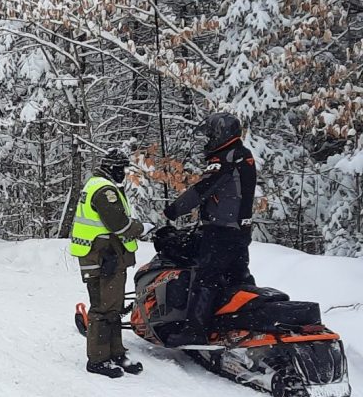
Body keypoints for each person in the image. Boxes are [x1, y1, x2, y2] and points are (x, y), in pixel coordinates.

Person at [163, 113, 257, 346]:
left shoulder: (225, 158)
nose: (208, 140)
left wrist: (173, 210)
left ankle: (195, 330)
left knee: (207, 279)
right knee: (238, 277)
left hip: (221, 230)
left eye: (211, 134)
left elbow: (202, 189)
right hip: (240, 231)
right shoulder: (244, 157)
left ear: (221, 134)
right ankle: (243, 323)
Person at [69, 149, 145, 378]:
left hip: (108, 256)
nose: (123, 174)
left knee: (113, 308)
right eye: (121, 169)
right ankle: (98, 359)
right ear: (113, 168)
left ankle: (116, 353)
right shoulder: (104, 190)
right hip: (101, 258)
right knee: (102, 308)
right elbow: (119, 224)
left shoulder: (100, 185)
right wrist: (142, 228)